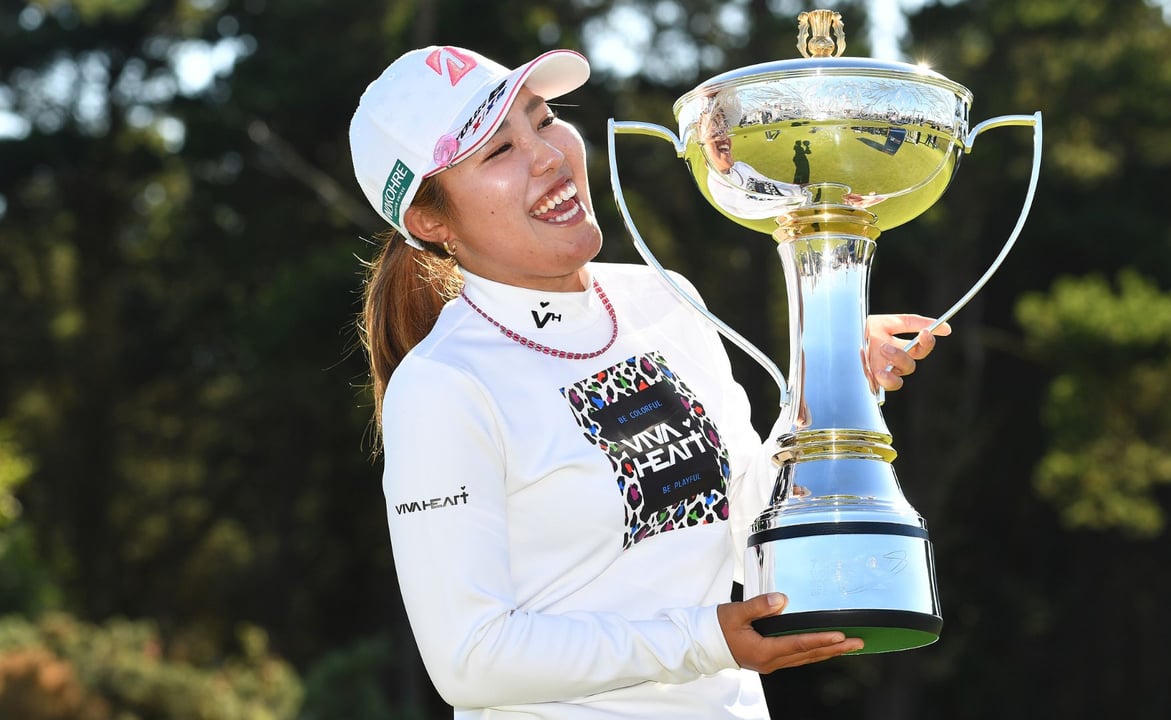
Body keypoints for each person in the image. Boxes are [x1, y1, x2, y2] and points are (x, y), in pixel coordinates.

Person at [348, 44, 950, 719]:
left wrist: (835, 378)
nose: (547, 155)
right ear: (431, 223)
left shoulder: (664, 299)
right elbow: (469, 658)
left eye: (542, 120)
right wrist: (703, 641)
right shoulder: (442, 386)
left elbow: (751, 520)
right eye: (497, 152)